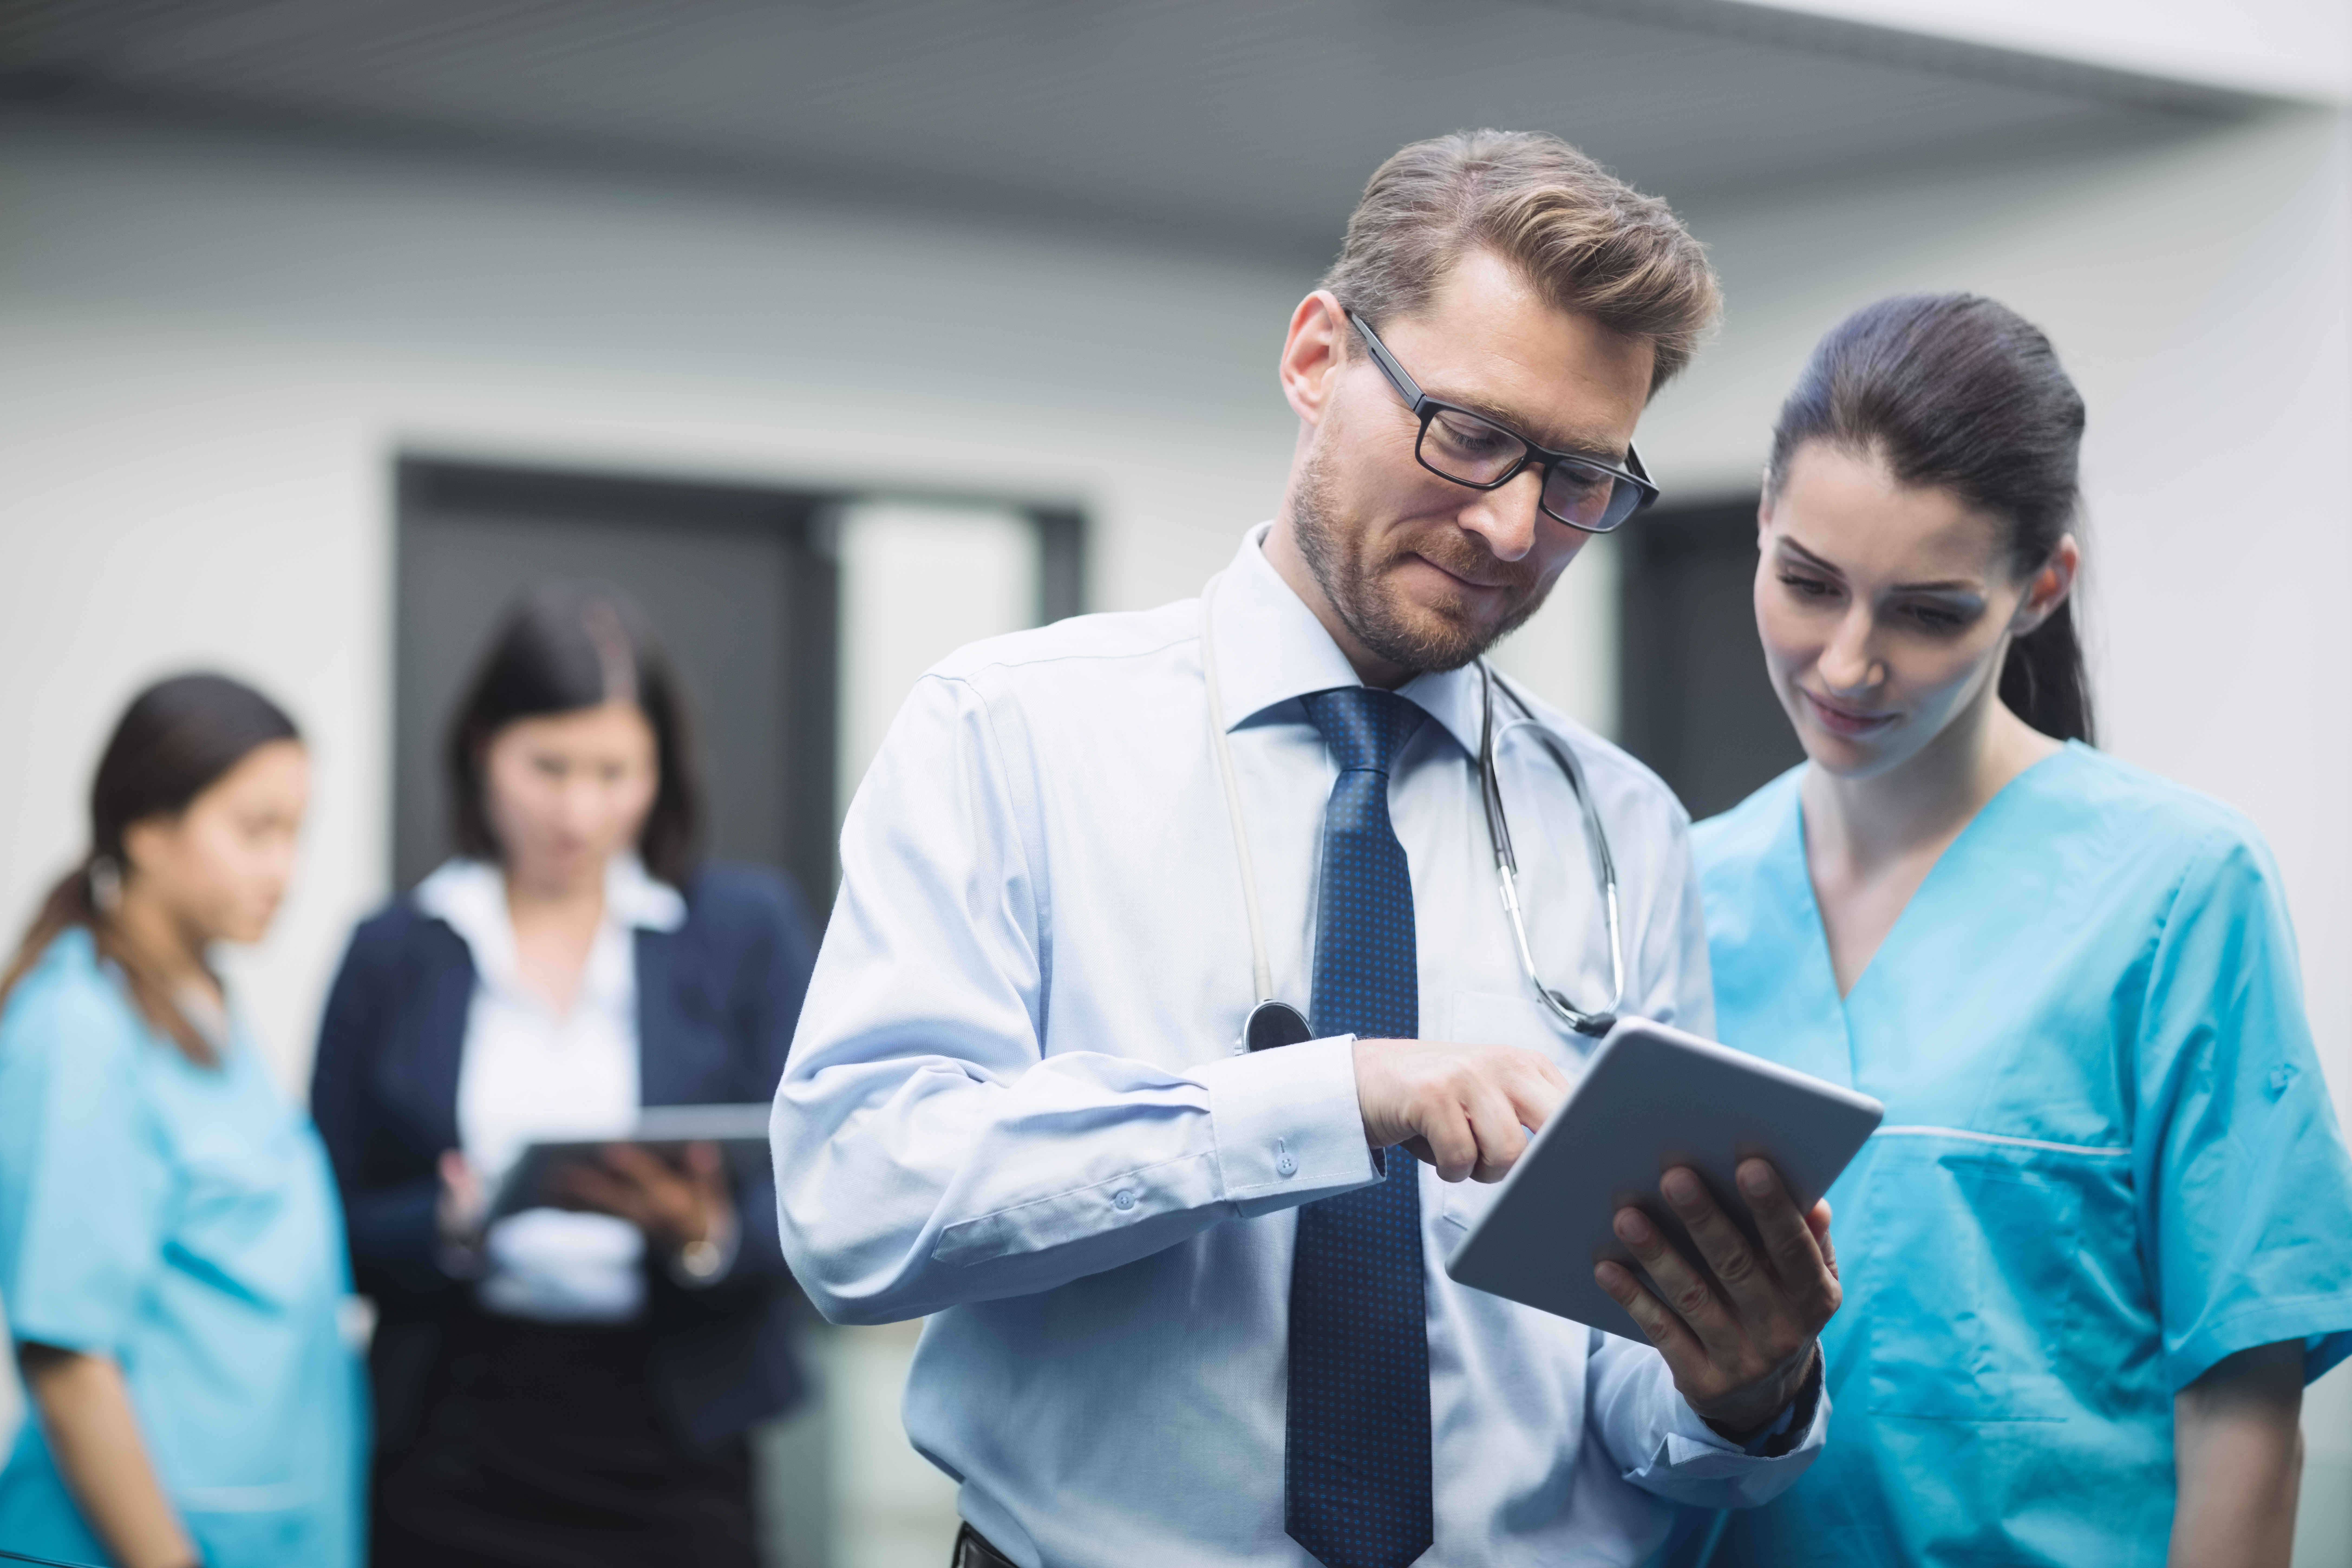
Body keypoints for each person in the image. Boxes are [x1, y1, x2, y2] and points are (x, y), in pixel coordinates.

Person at [773, 130, 1843, 1568]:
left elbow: (1626, 1403)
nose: (1512, 525)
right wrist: (1330, 1100)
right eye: (1467, 431)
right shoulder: (1013, 733)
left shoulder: (1618, 828)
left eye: (1581, 478)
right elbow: (859, 1202)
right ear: (1316, 357)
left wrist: (1742, 1387)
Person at [1691, 292, 2352, 1566]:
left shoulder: (2174, 893)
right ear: (1763, 526)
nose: (1845, 663)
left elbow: (2245, 1414)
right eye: (1808, 583)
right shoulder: (1680, 885)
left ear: (2040, 588)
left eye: (1928, 611)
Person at [309, 584, 817, 1568]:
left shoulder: (743, 932)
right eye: (547, 767)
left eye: (614, 771)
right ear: (480, 747)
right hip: (455, 1437)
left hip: (676, 1443)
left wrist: (701, 1236)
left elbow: (818, 1195)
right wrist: (450, 1225)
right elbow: (330, 1217)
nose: (579, 810)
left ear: (661, 770)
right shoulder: (393, 951)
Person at [0, 674, 362, 1568]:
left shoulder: (200, 1003)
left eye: (296, 834)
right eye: (255, 830)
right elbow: (69, 1359)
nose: (286, 869)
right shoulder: (81, 1028)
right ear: (148, 829)